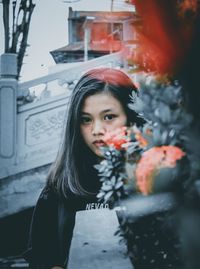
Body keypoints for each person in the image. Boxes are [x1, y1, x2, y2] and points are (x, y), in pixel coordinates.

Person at [24, 67, 143, 269]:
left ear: (130, 118)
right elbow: (41, 257)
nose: (97, 131)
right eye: (86, 120)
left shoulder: (154, 178)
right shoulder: (60, 186)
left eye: (109, 117)